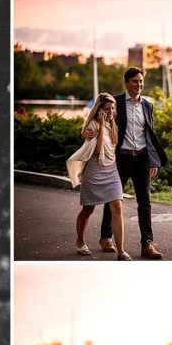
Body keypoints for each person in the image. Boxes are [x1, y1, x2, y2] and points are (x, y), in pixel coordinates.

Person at [85, 67, 168, 259]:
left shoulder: (148, 104)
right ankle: (106, 237)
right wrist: (87, 131)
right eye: (134, 81)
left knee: (145, 202)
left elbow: (149, 133)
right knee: (113, 198)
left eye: (141, 81)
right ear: (126, 83)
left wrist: (153, 160)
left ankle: (147, 244)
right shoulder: (116, 102)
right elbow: (99, 121)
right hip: (119, 158)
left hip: (142, 158)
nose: (138, 84)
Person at [67, 93, 132, 259]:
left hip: (111, 171)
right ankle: (80, 241)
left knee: (117, 206)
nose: (110, 112)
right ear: (99, 110)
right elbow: (97, 151)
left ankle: (121, 251)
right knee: (88, 209)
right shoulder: (92, 125)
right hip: (94, 171)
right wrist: (101, 126)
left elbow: (113, 148)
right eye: (107, 109)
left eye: (112, 109)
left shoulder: (113, 123)